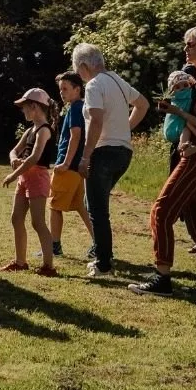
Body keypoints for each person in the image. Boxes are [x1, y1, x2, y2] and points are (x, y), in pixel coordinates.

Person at [131, 25, 196, 297]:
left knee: (161, 211)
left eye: (191, 44)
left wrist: (176, 112)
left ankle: (162, 278)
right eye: (186, 44)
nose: (186, 48)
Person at [72, 44, 149, 279]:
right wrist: (125, 128)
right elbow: (143, 104)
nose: (79, 76)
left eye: (78, 71)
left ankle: (103, 263)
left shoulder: (94, 85)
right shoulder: (117, 80)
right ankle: (102, 252)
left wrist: (85, 156)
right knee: (92, 203)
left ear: (85, 66)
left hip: (103, 152)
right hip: (123, 152)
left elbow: (95, 121)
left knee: (97, 210)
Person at [0, 88, 56, 275]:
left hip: (38, 178)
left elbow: (34, 157)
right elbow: (14, 150)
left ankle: (49, 266)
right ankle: (20, 262)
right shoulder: (30, 130)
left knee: (38, 222)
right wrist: (14, 159)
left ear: (34, 106)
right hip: (25, 177)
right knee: (16, 218)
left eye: (24, 107)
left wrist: (13, 174)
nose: (22, 111)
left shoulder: (44, 130)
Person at [47, 72, 94, 259]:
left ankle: (54, 246)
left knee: (55, 205)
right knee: (82, 207)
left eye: (65, 89)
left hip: (69, 167)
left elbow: (75, 135)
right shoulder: (82, 107)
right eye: (60, 89)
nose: (62, 93)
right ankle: (100, 244)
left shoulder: (76, 108)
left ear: (77, 89)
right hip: (78, 168)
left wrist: (65, 163)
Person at [162, 67, 196, 172]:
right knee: (186, 129)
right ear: (173, 90)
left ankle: (182, 146)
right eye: (178, 87)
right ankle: (183, 147)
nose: (182, 88)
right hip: (174, 128)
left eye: (185, 85)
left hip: (171, 129)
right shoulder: (180, 99)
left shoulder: (179, 98)